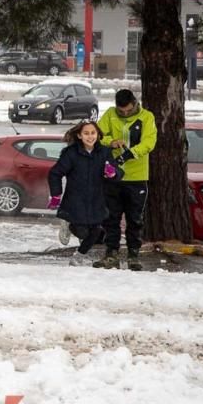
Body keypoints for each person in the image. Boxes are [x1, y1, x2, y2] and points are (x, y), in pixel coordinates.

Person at [95, 89, 158, 270]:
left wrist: (130, 154)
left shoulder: (146, 117)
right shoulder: (110, 115)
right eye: (120, 111)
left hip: (137, 176)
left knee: (135, 218)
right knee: (111, 217)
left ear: (135, 104)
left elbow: (149, 142)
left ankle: (133, 254)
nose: (124, 114)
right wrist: (111, 141)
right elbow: (98, 135)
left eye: (128, 111)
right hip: (113, 175)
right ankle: (111, 253)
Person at [46, 121, 122, 265]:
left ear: (98, 135)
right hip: (75, 199)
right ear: (80, 136)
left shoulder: (105, 152)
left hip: (96, 199)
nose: (90, 136)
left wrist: (113, 173)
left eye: (93, 133)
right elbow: (55, 173)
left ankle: (78, 257)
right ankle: (68, 224)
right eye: (86, 133)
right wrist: (56, 194)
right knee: (81, 231)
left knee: (96, 231)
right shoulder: (71, 153)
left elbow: (119, 172)